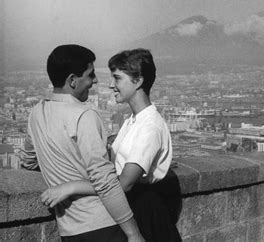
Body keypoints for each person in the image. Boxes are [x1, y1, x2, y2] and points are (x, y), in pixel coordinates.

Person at [41, 48, 181, 242]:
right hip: (131, 207)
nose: (111, 85)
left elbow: (124, 183)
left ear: (138, 81)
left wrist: (71, 187)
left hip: (144, 211)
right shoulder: (134, 120)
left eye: (117, 78)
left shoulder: (150, 126)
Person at [24, 44, 144, 241]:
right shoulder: (84, 115)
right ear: (72, 80)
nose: (95, 80)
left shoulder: (36, 113)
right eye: (90, 75)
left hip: (69, 231)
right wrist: (133, 234)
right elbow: (106, 182)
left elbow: (28, 162)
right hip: (104, 225)